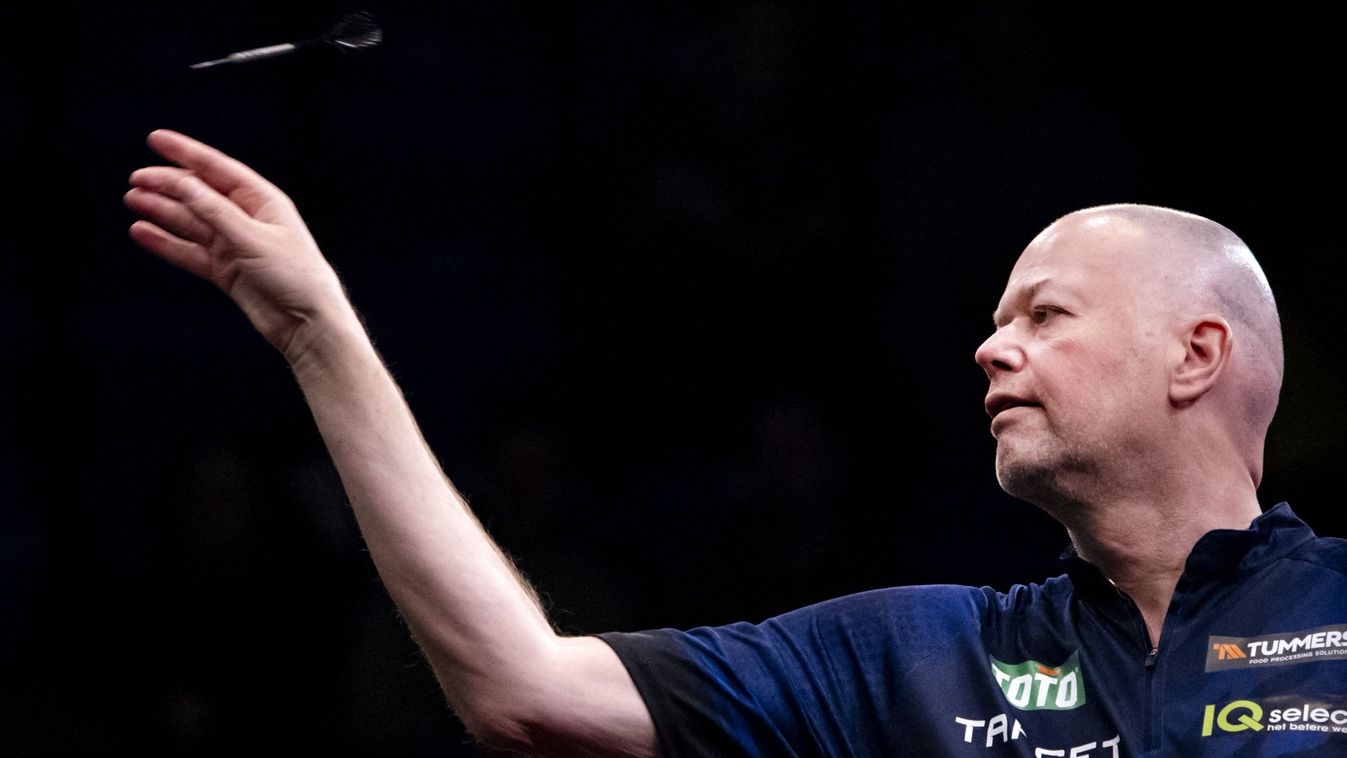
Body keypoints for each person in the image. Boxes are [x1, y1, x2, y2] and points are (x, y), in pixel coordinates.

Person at [126, 130, 1347, 756]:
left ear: (1196, 354)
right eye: (991, 321)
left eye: (1044, 314)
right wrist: (315, 330)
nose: (991, 348)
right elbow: (526, 690)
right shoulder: (916, 655)